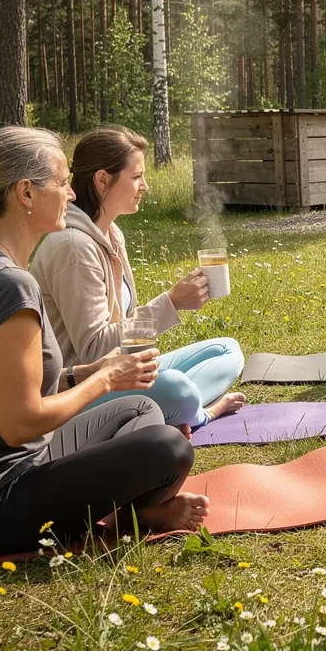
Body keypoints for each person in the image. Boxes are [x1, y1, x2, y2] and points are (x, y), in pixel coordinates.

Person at [0, 127, 208, 555]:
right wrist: (104, 380)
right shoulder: (7, 285)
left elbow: (0, 387)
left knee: (142, 407)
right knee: (169, 445)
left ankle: (138, 513)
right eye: (60, 183)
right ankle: (139, 514)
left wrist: (82, 373)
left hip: (16, 465)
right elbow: (18, 422)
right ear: (25, 193)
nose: (71, 195)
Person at [31, 127, 244, 431]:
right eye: (136, 177)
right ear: (103, 179)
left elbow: (125, 329)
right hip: (82, 392)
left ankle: (175, 409)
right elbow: (94, 350)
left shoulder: (111, 234)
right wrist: (171, 303)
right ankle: (201, 412)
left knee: (228, 351)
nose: (144, 186)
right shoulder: (72, 248)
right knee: (176, 388)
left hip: (122, 373)